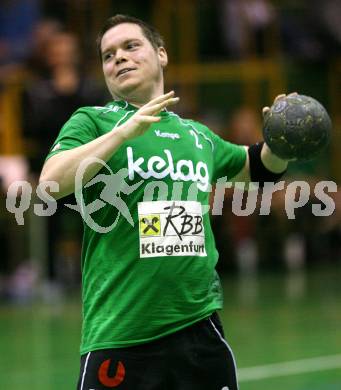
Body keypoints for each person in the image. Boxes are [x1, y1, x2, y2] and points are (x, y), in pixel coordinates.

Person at [39, 14, 289, 390]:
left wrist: (282, 144)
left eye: (130, 46)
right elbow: (50, 183)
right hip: (121, 338)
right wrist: (123, 134)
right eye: (108, 55)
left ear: (161, 54)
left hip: (199, 334)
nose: (119, 58)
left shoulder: (197, 136)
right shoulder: (92, 122)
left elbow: (258, 169)